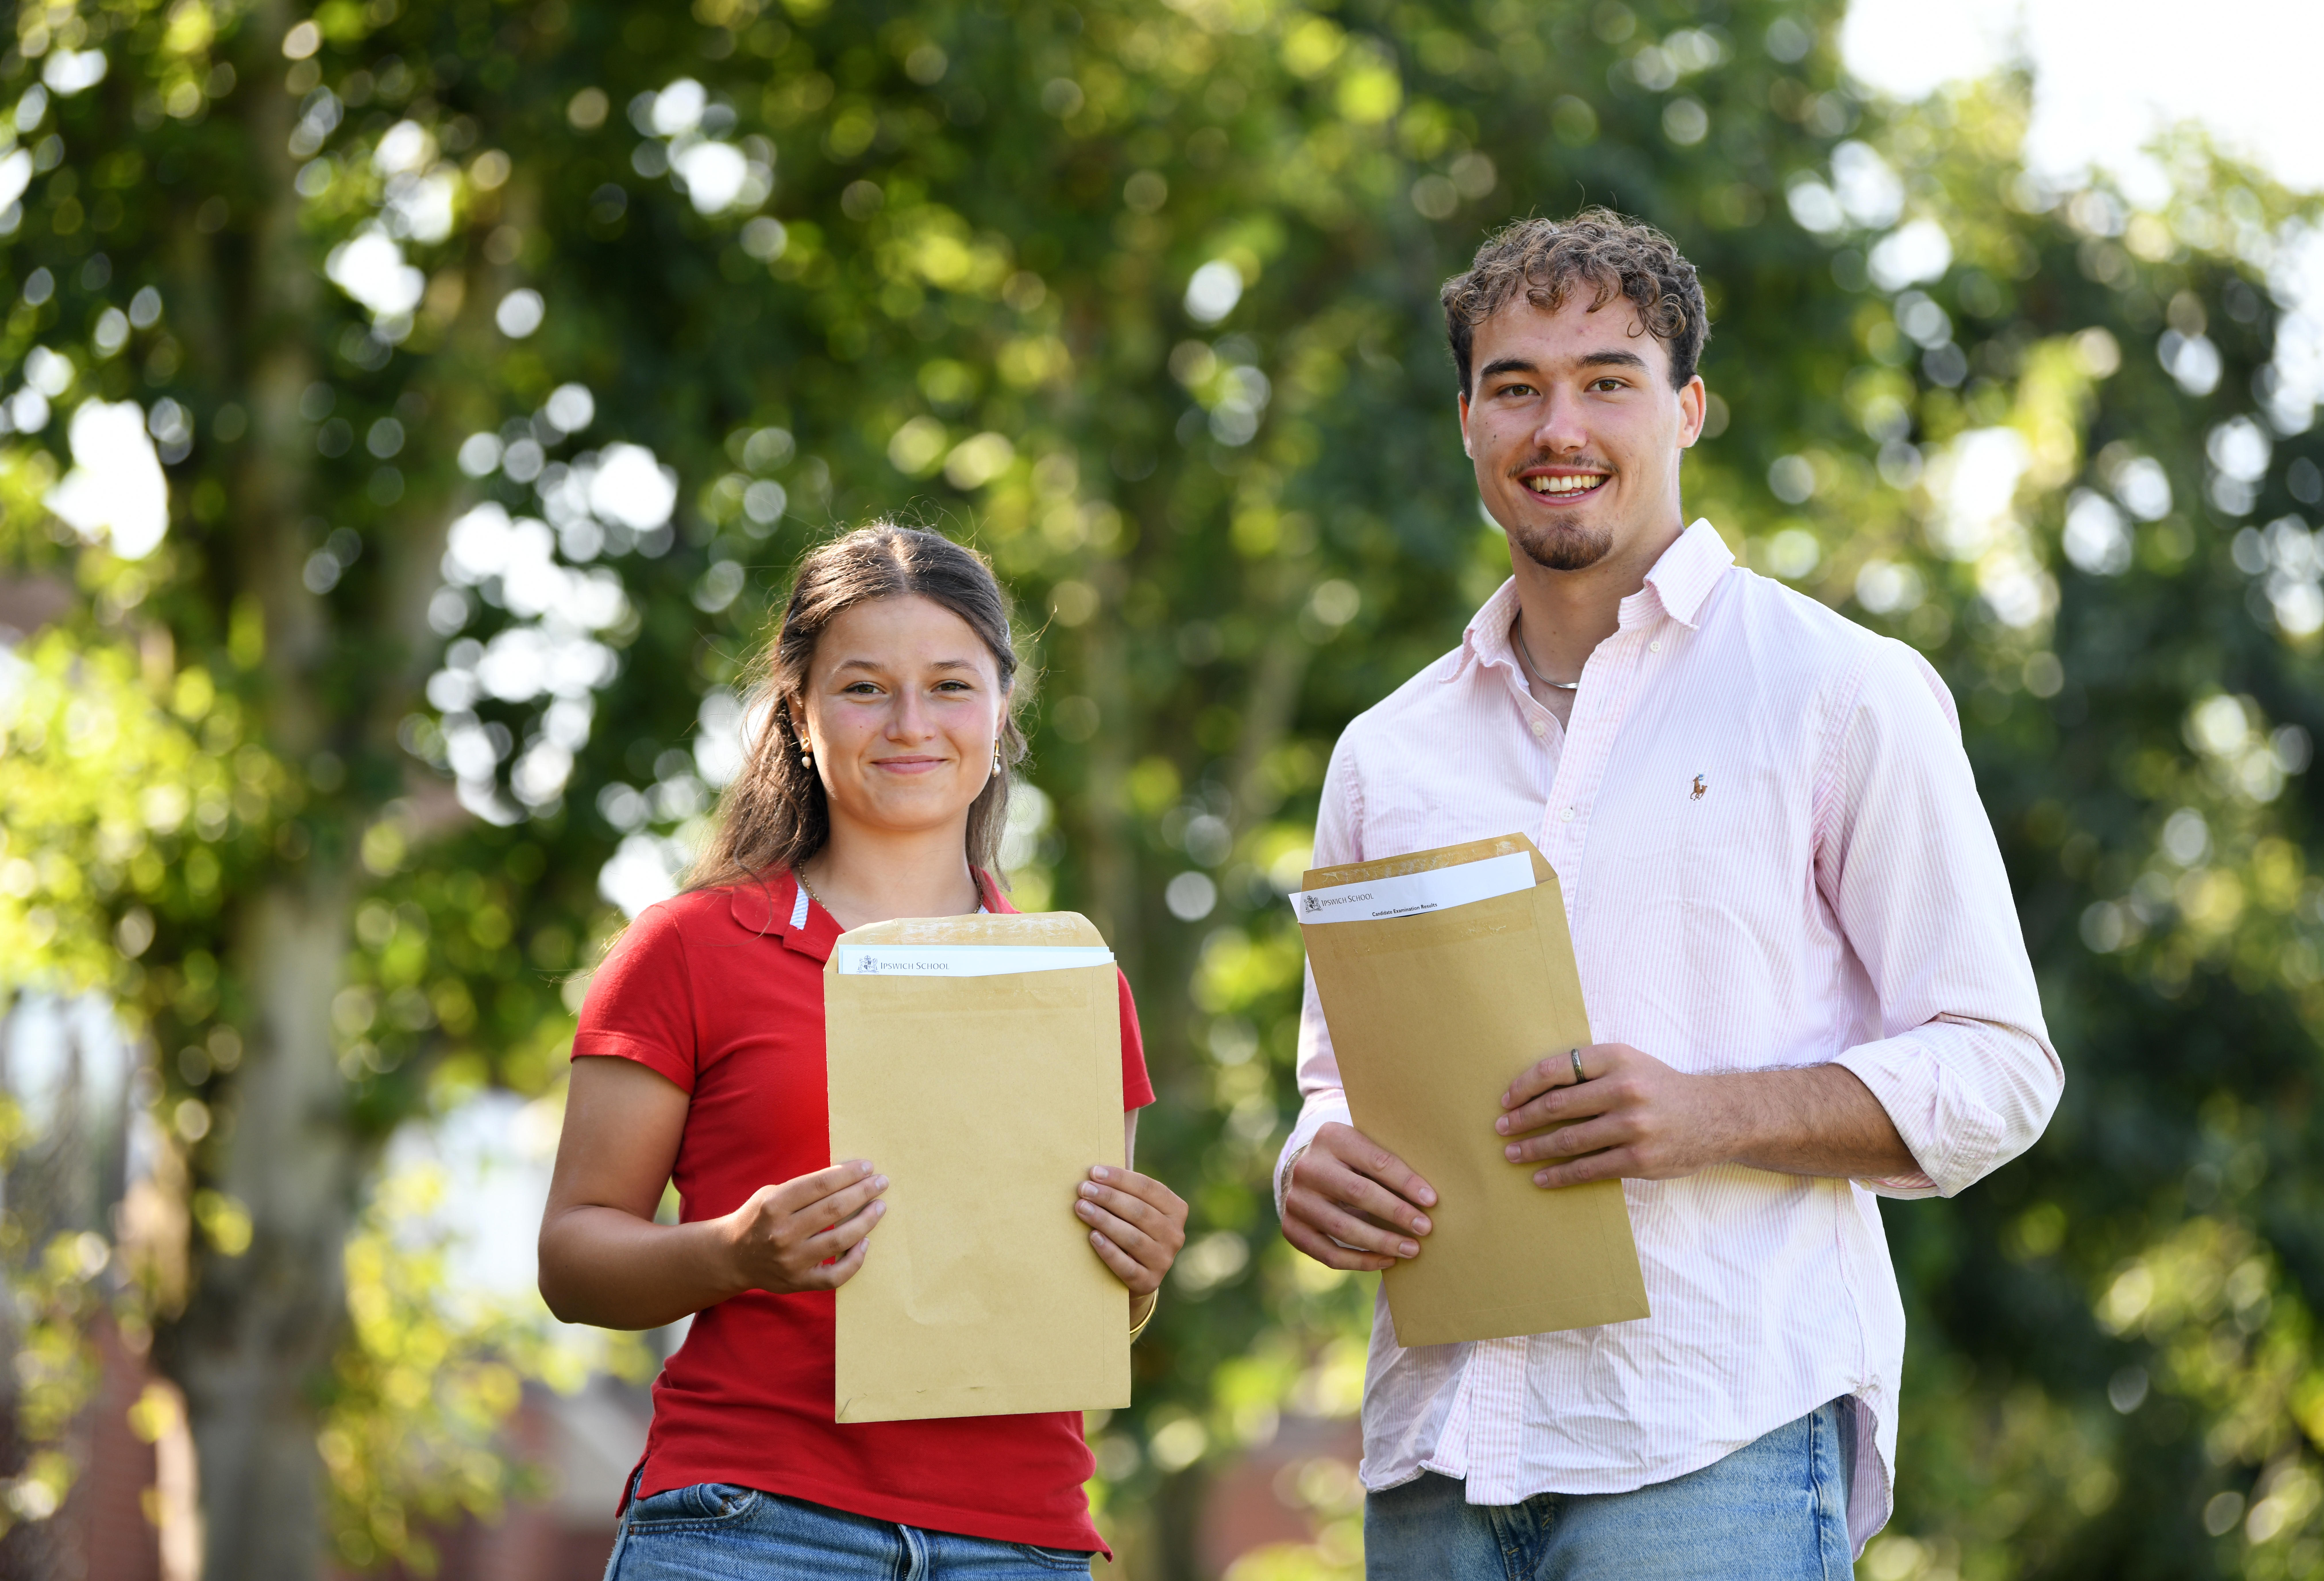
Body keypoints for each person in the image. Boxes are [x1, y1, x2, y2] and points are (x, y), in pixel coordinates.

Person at [1274, 209, 2063, 1578]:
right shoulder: (1385, 752)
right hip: (1432, 1457)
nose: (1558, 427)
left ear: (1687, 408)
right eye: (1516, 387)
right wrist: (1314, 1160)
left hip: (1713, 1442)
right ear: (1467, 422)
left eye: (1608, 380)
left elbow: (1998, 1067)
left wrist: (1713, 1114)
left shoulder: (1839, 689)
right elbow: (1339, 1080)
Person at [540, 523, 1188, 1578]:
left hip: (1017, 1543)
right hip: (751, 1526)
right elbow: (572, 1260)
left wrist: (1137, 1272)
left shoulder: (1077, 979)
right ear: (798, 714)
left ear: (1002, 711)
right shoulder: (687, 950)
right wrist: (733, 1253)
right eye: (864, 689)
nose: (910, 724)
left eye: (949, 686)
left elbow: (1077, 1304)